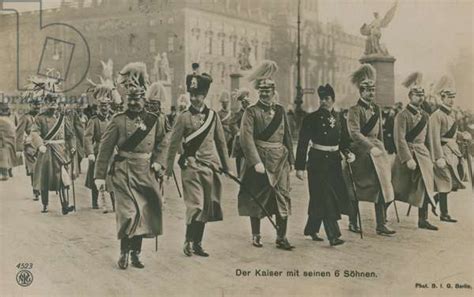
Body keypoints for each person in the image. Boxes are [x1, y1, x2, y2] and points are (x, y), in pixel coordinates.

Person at [94, 62, 168, 270]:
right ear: (126, 99)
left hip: (146, 172)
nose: (134, 103)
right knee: (129, 214)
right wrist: (99, 175)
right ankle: (124, 252)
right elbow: (105, 148)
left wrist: (159, 163)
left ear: (144, 98)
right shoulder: (117, 121)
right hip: (124, 172)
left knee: (144, 214)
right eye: (131, 99)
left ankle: (136, 253)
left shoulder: (154, 119)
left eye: (138, 99)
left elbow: (164, 142)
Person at [166, 71, 230, 257]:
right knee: (196, 205)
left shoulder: (213, 116)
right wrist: (169, 169)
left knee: (207, 206)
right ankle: (188, 240)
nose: (194, 99)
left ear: (204, 96)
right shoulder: (183, 117)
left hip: (210, 167)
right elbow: (173, 143)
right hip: (191, 167)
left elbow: (221, 143)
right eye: (192, 95)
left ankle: (198, 243)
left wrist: (226, 166)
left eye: (198, 95)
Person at [238, 60, 295, 250]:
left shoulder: (280, 111)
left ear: (273, 91)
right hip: (260, 160)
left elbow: (287, 136)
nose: (265, 94)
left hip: (280, 161)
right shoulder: (251, 112)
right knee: (257, 196)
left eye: (268, 91)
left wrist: (292, 162)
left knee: (282, 196)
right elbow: (246, 139)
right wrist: (255, 162)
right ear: (258, 91)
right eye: (261, 91)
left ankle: (281, 237)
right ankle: (256, 235)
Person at [295, 84, 356, 246]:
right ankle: (333, 235)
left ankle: (311, 229)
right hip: (317, 162)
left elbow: (343, 140)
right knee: (325, 196)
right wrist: (299, 167)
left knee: (320, 197)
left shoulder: (339, 118)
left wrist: (348, 153)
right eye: (321, 98)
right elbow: (302, 143)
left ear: (333, 100)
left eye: (327, 98)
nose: (323, 101)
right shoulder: (311, 118)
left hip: (334, 162)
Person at [346, 64, 396, 236]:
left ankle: (381, 224)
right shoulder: (354, 110)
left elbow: (380, 134)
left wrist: (381, 149)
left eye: (373, 90)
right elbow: (354, 133)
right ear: (361, 92)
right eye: (367, 91)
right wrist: (370, 147)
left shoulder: (377, 109)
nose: (371, 93)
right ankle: (353, 221)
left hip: (377, 153)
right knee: (356, 189)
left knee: (383, 187)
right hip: (360, 153)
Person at [392, 72, 438, 230]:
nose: (420, 98)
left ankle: (422, 219)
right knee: (396, 187)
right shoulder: (402, 116)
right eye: (417, 95)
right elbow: (399, 139)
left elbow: (428, 139)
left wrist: (433, 157)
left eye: (422, 95)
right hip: (407, 155)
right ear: (410, 96)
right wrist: (407, 158)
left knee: (425, 185)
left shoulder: (425, 116)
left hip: (422, 154)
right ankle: (382, 214)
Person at [429, 76, 471, 223]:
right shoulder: (436, 116)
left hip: (453, 150)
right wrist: (438, 157)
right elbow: (434, 137)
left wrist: (462, 135)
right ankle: (444, 213)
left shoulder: (452, 114)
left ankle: (433, 200)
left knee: (454, 179)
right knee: (445, 180)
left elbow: (452, 133)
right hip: (442, 151)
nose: (452, 100)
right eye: (448, 97)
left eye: (453, 97)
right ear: (442, 98)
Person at [31, 90, 76, 215]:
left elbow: (70, 134)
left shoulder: (62, 118)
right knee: (45, 179)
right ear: (46, 103)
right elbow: (34, 132)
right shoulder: (40, 118)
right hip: (47, 152)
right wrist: (40, 145)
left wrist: (72, 146)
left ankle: (65, 205)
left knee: (63, 179)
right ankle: (45, 203)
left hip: (61, 152)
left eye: (55, 101)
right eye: (50, 101)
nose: (53, 104)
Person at [84, 85, 115, 212]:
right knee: (95, 176)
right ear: (98, 106)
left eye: (106, 105)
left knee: (113, 177)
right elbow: (87, 137)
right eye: (102, 105)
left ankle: (114, 202)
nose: (104, 108)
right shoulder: (94, 120)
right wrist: (90, 153)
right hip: (98, 151)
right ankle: (95, 201)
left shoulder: (113, 119)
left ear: (109, 106)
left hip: (112, 152)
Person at [16, 97, 41, 199]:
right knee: (33, 169)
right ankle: (35, 190)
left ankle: (40, 188)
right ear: (30, 105)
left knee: (42, 168)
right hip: (30, 147)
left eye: (38, 105)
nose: (37, 107)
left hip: (42, 145)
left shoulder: (42, 117)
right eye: (35, 105)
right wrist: (18, 149)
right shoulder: (25, 117)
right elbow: (19, 133)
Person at [230, 88, 251, 177]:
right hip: (240, 138)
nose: (246, 104)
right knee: (239, 155)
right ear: (242, 103)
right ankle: (239, 173)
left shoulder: (250, 112)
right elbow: (232, 123)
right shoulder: (239, 113)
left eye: (247, 103)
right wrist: (238, 132)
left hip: (249, 137)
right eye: (245, 103)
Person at [0, 101, 17, 181]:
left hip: (4, 141)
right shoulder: (11, 119)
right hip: (11, 139)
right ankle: (9, 170)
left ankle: (5, 173)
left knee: (3, 156)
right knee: (9, 155)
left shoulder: (2, 120)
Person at [217, 91, 234, 156]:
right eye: (223, 103)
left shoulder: (231, 113)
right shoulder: (219, 113)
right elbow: (219, 125)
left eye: (226, 102)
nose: (225, 104)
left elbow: (233, 124)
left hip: (230, 135)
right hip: (223, 133)